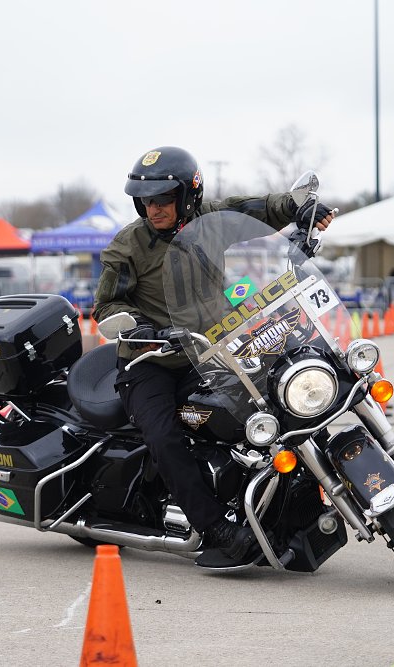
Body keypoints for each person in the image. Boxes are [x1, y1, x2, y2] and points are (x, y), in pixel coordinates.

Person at [92, 146, 335, 564]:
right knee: (165, 435)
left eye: (163, 199)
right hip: (151, 361)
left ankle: (305, 499)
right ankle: (215, 527)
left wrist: (302, 208)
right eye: (147, 201)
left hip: (213, 348)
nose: (154, 209)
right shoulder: (127, 246)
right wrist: (140, 326)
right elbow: (106, 306)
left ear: (188, 195)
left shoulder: (211, 222)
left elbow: (258, 209)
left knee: (281, 397)